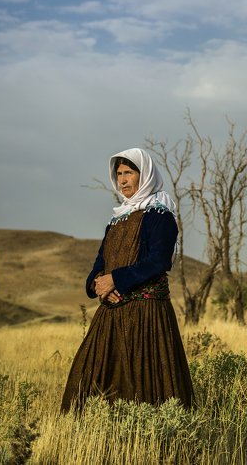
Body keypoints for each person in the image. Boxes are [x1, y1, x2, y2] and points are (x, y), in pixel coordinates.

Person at [61, 148, 193, 411]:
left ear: (144, 175)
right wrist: (99, 284)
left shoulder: (160, 215)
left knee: (148, 387)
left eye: (129, 173)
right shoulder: (116, 219)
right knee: (88, 384)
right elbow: (101, 262)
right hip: (111, 313)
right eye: (119, 174)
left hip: (147, 315)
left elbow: (159, 261)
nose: (122, 180)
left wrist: (116, 280)